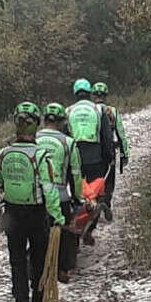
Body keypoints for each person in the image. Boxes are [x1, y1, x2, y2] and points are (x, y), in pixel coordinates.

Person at [0, 102, 63, 302]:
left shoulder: (3, 153)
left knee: (17, 260)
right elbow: (49, 190)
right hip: (37, 213)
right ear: (36, 125)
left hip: (12, 213)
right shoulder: (41, 155)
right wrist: (58, 216)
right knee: (39, 259)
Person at [36, 102, 81, 283]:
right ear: (63, 121)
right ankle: (62, 269)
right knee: (65, 232)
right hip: (61, 194)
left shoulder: (34, 139)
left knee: (38, 233)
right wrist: (77, 197)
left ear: (43, 120)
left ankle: (38, 267)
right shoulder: (68, 143)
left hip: (37, 196)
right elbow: (76, 174)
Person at [65, 78, 111, 245]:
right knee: (94, 194)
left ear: (75, 93)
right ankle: (89, 229)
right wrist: (109, 157)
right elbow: (106, 136)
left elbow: (65, 137)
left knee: (75, 194)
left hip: (74, 157)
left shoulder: (68, 111)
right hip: (95, 158)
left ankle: (74, 226)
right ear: (89, 93)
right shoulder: (98, 110)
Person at [92, 82, 129, 221]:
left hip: (93, 151)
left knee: (93, 177)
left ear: (93, 95)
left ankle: (93, 202)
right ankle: (106, 202)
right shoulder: (111, 111)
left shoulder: (90, 110)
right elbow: (121, 133)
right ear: (106, 96)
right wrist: (124, 154)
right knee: (109, 179)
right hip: (110, 149)